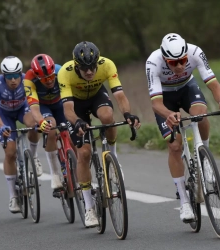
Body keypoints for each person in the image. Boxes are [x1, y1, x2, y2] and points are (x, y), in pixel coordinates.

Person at [145, 33, 220, 223]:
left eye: (182, 61)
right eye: (173, 63)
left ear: (187, 55)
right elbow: (156, 103)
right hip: (165, 98)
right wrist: (169, 114)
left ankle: (204, 157)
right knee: (174, 146)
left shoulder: (195, 52)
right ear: (164, 59)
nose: (178, 66)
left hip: (187, 88)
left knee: (200, 114)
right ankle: (184, 201)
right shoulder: (153, 62)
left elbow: (214, 84)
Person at [58, 41, 141, 227]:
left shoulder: (107, 65)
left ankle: (113, 157)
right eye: (84, 68)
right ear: (76, 66)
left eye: (92, 67)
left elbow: (119, 95)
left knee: (108, 116)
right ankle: (89, 207)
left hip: (96, 96)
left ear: (98, 62)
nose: (89, 72)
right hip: (75, 105)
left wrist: (128, 114)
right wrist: (77, 121)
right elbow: (67, 109)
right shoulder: (65, 72)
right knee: (85, 153)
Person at [0, 56, 42, 213]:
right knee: (10, 154)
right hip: (4, 116)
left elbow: (35, 103)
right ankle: (13, 196)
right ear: (3, 76)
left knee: (33, 125)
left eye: (16, 76)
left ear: (20, 74)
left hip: (22, 109)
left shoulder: (27, 79)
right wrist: (1, 126)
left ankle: (33, 157)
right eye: (9, 77)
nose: (13, 80)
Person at [24, 54, 66, 191]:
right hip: (43, 106)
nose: (48, 81)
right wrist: (41, 121)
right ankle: (55, 174)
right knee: (50, 126)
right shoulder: (29, 79)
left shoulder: (61, 72)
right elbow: (34, 109)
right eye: (44, 79)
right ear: (37, 77)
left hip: (60, 103)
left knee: (71, 133)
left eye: (50, 77)